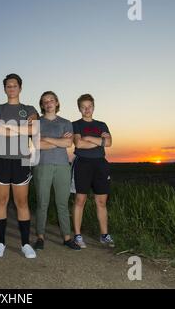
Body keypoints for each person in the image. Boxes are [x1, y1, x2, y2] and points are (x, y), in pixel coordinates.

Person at [0, 73, 39, 258]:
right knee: (1, 201)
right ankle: (0, 242)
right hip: (0, 158)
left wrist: (7, 128)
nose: (11, 89)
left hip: (22, 159)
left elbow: (33, 129)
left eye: (14, 85)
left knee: (22, 202)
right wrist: (21, 128)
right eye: (8, 86)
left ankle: (25, 244)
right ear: (4, 89)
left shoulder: (30, 108)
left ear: (20, 88)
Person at [32, 91, 80, 251]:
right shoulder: (37, 122)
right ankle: (40, 237)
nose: (48, 103)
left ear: (57, 102)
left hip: (62, 167)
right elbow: (37, 144)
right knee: (42, 203)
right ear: (42, 105)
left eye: (51, 100)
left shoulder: (66, 122)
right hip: (42, 166)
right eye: (45, 101)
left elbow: (68, 144)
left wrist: (47, 139)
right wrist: (59, 141)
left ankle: (67, 237)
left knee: (62, 204)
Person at [72, 94, 114, 249]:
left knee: (101, 202)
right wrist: (99, 142)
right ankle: (77, 235)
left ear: (94, 107)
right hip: (82, 164)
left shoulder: (102, 124)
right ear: (79, 108)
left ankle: (104, 235)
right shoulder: (75, 124)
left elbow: (109, 142)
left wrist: (88, 137)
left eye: (89, 106)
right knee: (80, 200)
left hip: (100, 165)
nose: (87, 109)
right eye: (84, 107)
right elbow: (78, 144)